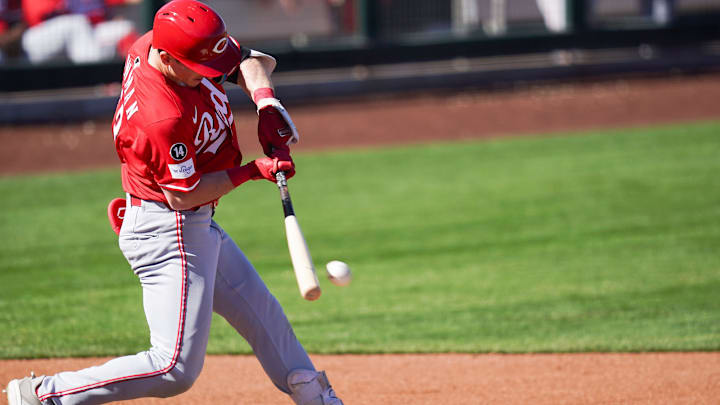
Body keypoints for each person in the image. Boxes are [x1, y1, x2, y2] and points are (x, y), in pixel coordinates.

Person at [3, 1, 344, 404]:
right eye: (199, 71)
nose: (211, 78)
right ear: (166, 59)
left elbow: (247, 61)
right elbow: (184, 194)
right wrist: (253, 170)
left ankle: (316, 397)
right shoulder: (160, 115)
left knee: (264, 316)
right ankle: (44, 396)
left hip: (190, 225)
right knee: (173, 368)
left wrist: (266, 103)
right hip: (171, 229)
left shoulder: (160, 44)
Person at [20, 0, 139, 64]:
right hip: (38, 36)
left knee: (124, 28)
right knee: (76, 24)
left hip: (83, 31)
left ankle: (132, 78)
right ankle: (93, 79)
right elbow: (42, 15)